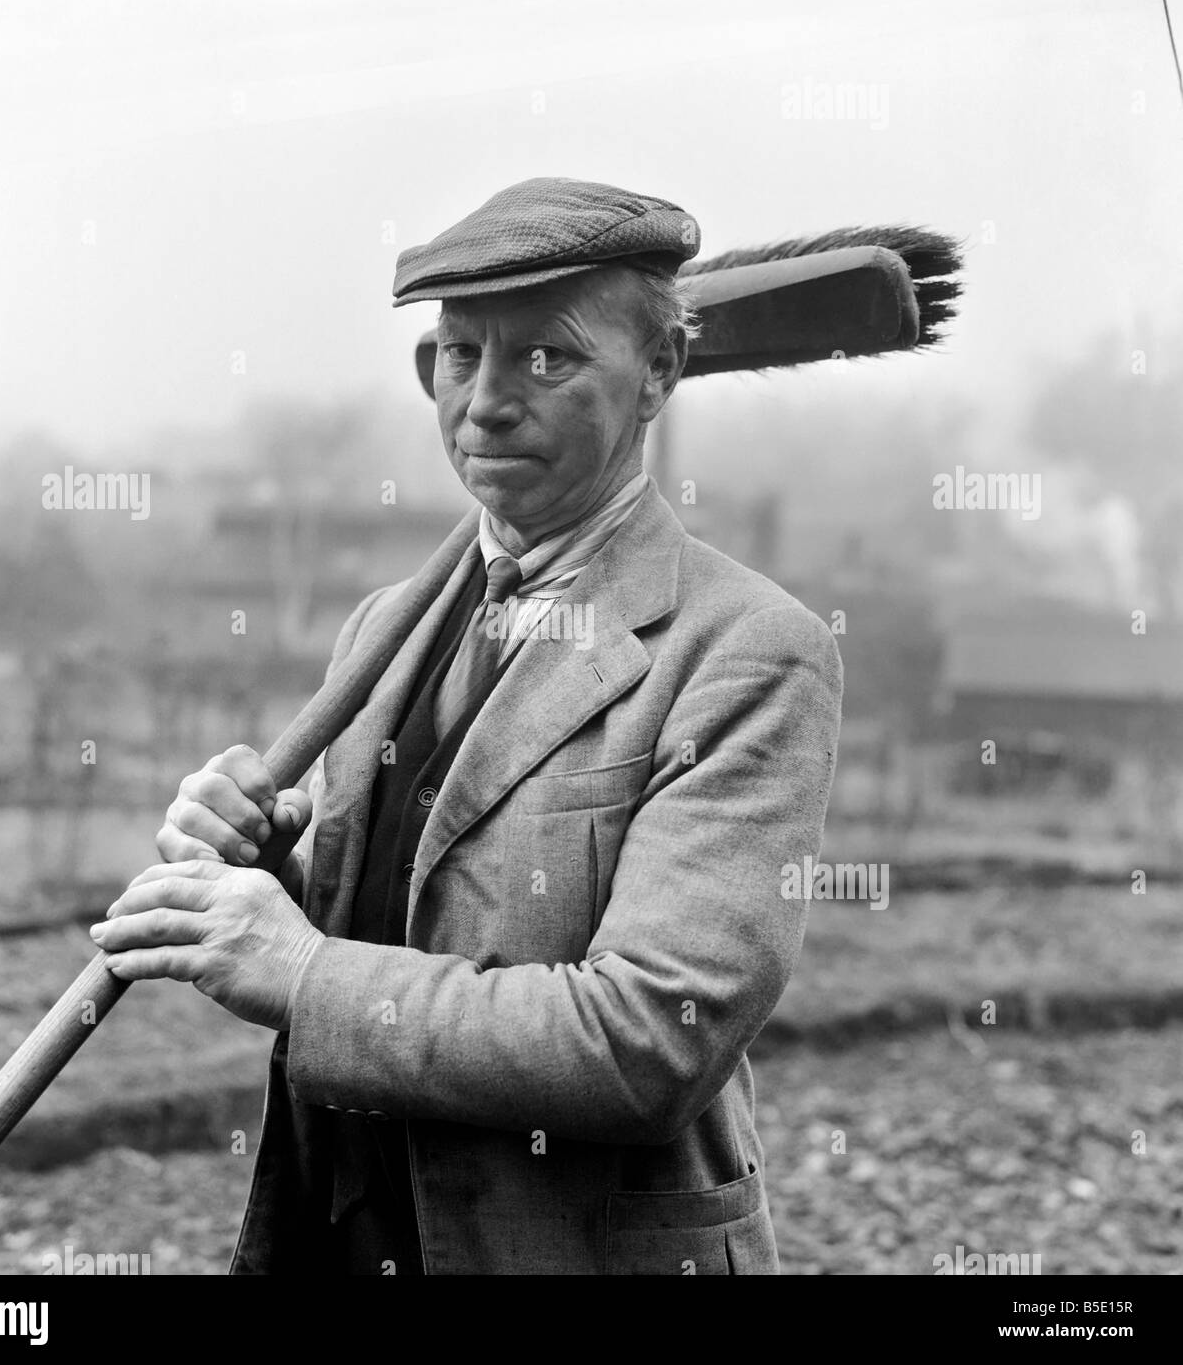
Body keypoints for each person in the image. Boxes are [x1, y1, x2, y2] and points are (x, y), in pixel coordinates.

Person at [90, 177, 844, 1275]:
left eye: (546, 357)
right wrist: (276, 878)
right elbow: (391, 937)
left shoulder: (745, 651)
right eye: (460, 354)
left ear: (658, 375)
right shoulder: (381, 633)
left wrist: (298, 968)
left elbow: (648, 1038)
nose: (489, 400)